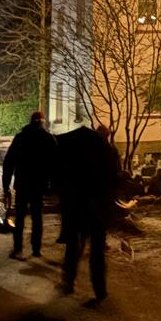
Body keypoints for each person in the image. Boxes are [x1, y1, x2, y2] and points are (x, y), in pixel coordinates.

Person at [55, 123, 121, 304]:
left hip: (77, 208)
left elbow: (62, 180)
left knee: (73, 246)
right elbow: (114, 179)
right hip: (99, 208)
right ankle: (100, 290)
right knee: (97, 251)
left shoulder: (73, 152)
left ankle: (68, 282)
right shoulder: (108, 152)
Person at [2, 109, 56, 260]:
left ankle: (18, 249)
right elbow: (56, 164)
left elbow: (8, 162)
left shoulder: (20, 138)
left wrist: (6, 185)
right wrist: (53, 185)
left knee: (20, 217)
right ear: (43, 122)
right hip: (39, 185)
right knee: (37, 218)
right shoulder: (48, 139)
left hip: (22, 183)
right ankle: (36, 249)